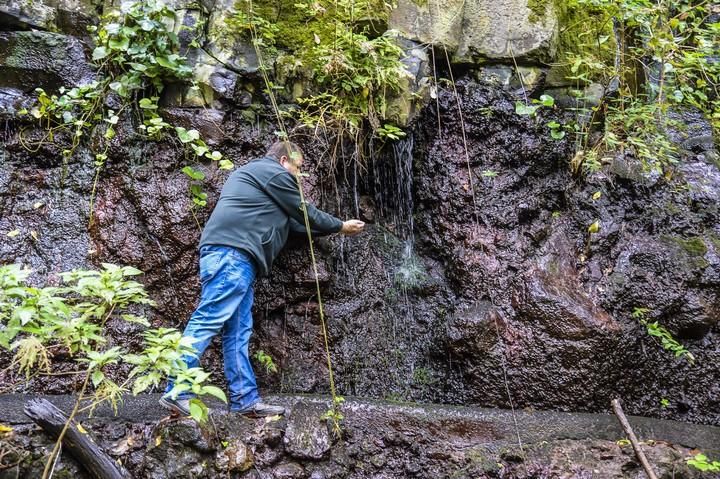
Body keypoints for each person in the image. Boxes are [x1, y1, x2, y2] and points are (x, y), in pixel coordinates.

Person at [160, 141, 365, 417]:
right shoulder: (273, 173)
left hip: (236, 259)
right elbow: (305, 212)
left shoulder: (261, 182)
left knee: (238, 330)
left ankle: (244, 400)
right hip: (231, 255)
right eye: (297, 168)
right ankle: (176, 391)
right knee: (208, 318)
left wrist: (330, 230)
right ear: (283, 161)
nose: (298, 176)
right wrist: (340, 226)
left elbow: (298, 224)